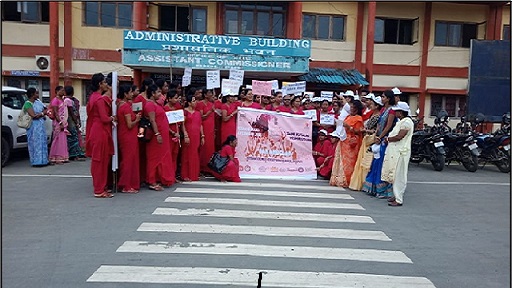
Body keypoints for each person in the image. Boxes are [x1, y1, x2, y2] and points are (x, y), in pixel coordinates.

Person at [362, 90, 397, 198]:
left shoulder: (392, 111)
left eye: (383, 97)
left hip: (385, 140)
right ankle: (374, 188)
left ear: (388, 98)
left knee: (382, 164)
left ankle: (383, 190)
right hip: (379, 138)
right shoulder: (383, 109)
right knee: (375, 164)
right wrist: (376, 135)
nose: (382, 98)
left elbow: (388, 126)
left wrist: (380, 137)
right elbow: (379, 125)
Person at [86, 74, 115, 198]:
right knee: (100, 161)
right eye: (104, 82)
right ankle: (99, 189)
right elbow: (104, 118)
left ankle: (101, 187)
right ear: (99, 84)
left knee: (100, 160)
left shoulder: (94, 97)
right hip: (100, 131)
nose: (106, 85)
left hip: (96, 130)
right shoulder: (99, 99)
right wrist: (112, 118)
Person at [381, 102, 414, 206]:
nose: (395, 113)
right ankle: (395, 195)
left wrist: (388, 139)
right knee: (394, 174)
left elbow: (400, 136)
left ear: (401, 112)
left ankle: (399, 199)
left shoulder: (407, 122)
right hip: (396, 151)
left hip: (401, 152)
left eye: (397, 111)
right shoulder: (402, 121)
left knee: (399, 175)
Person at [144, 84, 175, 190]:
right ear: (152, 94)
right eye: (158, 92)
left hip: (163, 134)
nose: (160, 94)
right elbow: (152, 120)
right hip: (157, 135)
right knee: (154, 158)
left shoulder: (156, 104)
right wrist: (157, 134)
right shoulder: (150, 105)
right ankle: (151, 181)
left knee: (162, 157)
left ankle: (159, 178)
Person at [349, 94, 383, 191]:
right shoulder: (373, 115)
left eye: (372, 103)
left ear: (377, 106)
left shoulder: (376, 116)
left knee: (367, 162)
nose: (370, 105)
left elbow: (371, 129)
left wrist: (365, 130)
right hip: (367, 139)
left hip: (370, 140)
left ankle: (365, 183)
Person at [117, 84, 141, 193]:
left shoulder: (122, 104)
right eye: (130, 92)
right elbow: (129, 124)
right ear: (125, 94)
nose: (132, 94)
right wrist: (137, 119)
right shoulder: (125, 106)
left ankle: (128, 183)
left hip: (126, 135)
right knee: (128, 160)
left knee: (129, 159)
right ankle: (126, 185)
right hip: (128, 135)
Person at [338, 100, 364, 187]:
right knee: (343, 160)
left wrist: (349, 127)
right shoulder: (348, 116)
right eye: (351, 107)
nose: (352, 109)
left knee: (350, 162)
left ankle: (348, 179)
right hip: (344, 140)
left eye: (354, 107)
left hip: (352, 141)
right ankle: (341, 178)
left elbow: (358, 131)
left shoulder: (358, 118)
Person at [23, 88, 49, 167]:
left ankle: (44, 160)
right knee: (34, 143)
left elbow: (46, 109)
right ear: (32, 94)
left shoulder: (38, 102)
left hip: (40, 125)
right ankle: (36, 161)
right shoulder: (28, 104)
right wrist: (42, 114)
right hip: (33, 126)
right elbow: (33, 116)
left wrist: (41, 114)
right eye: (36, 93)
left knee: (42, 142)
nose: (38, 95)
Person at [181, 94, 205, 181]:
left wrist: (202, 136)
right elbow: (182, 124)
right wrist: (185, 135)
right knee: (186, 154)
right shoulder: (185, 111)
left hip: (196, 136)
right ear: (189, 103)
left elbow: (200, 125)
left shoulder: (198, 113)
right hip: (188, 135)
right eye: (194, 101)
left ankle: (194, 174)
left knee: (194, 154)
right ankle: (186, 175)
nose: (195, 103)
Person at [196, 89, 216, 173]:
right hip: (204, 127)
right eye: (209, 93)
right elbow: (201, 117)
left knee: (210, 148)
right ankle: (202, 167)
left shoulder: (212, 104)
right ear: (205, 95)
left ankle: (209, 167)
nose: (211, 95)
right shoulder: (200, 104)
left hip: (211, 128)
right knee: (204, 147)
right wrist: (210, 111)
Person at [164, 89, 183, 181]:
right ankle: (168, 176)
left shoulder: (177, 107)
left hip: (177, 134)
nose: (177, 100)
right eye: (175, 98)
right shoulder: (165, 108)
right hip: (169, 135)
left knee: (175, 155)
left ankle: (173, 175)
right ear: (169, 99)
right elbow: (164, 124)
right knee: (169, 155)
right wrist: (172, 132)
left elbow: (180, 121)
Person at [64, 86, 85, 161]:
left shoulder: (63, 100)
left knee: (70, 137)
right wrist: (77, 121)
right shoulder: (73, 101)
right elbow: (74, 112)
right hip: (71, 120)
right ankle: (75, 154)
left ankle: (71, 153)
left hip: (66, 120)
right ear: (73, 92)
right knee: (74, 137)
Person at [49, 86, 69, 164]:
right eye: (61, 90)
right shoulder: (55, 100)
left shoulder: (63, 100)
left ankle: (63, 156)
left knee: (63, 139)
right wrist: (60, 123)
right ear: (57, 91)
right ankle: (55, 157)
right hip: (58, 122)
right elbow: (56, 113)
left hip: (63, 121)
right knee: (57, 139)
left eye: (63, 90)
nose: (63, 92)